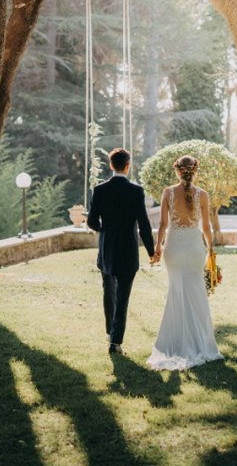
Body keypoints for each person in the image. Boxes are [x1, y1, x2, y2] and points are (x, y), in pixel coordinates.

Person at [147, 154, 223, 370]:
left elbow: (162, 224)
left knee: (177, 292)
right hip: (193, 248)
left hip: (174, 248)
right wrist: (211, 248)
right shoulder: (203, 195)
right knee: (197, 293)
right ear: (194, 171)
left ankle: (176, 344)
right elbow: (206, 228)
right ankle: (201, 343)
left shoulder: (168, 193)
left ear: (177, 170)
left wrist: (158, 247)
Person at [86, 148, 155, 354]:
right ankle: (115, 342)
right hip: (128, 250)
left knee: (109, 292)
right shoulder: (136, 191)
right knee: (122, 296)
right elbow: (144, 225)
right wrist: (151, 251)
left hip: (107, 249)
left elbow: (91, 221)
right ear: (128, 165)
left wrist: (104, 229)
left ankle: (110, 331)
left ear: (111, 165)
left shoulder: (99, 190)